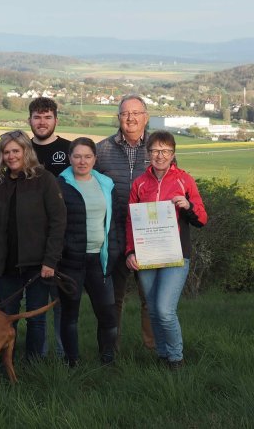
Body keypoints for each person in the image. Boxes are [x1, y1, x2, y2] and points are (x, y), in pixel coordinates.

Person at [0, 130, 66, 360]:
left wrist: (50, 260)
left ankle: (33, 364)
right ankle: (4, 362)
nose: (11, 156)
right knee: (5, 316)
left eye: (15, 150)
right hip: (6, 264)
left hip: (38, 265)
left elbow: (58, 222)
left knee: (35, 318)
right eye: (6, 152)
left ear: (26, 151)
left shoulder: (44, 179)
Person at [125, 131, 207, 369]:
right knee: (152, 308)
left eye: (165, 151)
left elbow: (202, 218)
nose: (160, 156)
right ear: (147, 153)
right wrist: (130, 251)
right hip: (147, 254)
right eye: (155, 151)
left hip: (176, 255)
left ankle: (176, 358)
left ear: (173, 154)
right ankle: (162, 355)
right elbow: (131, 221)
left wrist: (188, 205)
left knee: (164, 309)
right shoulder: (139, 183)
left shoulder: (184, 180)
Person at [95, 94, 155, 351]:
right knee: (113, 298)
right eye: (124, 113)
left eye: (135, 113)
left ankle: (153, 349)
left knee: (150, 297)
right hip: (114, 232)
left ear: (146, 117)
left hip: (150, 233)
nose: (130, 118)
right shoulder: (102, 149)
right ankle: (111, 351)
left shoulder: (158, 148)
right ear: (118, 118)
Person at [56, 137, 120, 366]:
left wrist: (114, 251)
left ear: (95, 158)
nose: (82, 161)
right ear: (69, 158)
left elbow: (113, 222)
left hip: (100, 260)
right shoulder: (60, 185)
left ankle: (108, 360)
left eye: (87, 156)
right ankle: (72, 362)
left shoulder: (105, 184)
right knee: (70, 316)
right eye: (77, 156)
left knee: (108, 316)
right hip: (71, 261)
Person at [28, 96, 70, 357]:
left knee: (62, 302)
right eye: (37, 117)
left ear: (56, 119)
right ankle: (37, 356)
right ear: (29, 120)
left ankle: (65, 354)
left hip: (61, 236)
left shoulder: (69, 149)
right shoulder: (21, 149)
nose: (42, 122)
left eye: (47, 117)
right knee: (36, 303)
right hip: (30, 238)